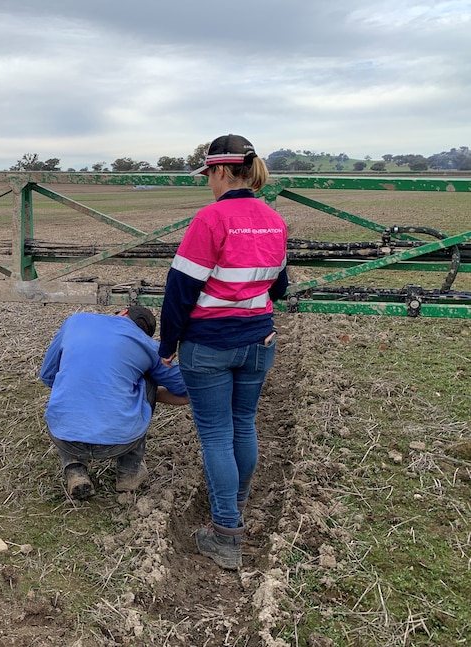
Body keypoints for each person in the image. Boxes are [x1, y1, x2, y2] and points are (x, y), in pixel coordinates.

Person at [158, 134, 288, 570]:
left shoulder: (211, 220)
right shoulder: (274, 220)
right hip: (258, 341)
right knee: (243, 425)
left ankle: (225, 533)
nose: (207, 184)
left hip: (209, 346)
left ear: (218, 171)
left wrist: (167, 345)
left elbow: (180, 290)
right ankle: (237, 503)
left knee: (215, 435)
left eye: (207, 176)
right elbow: (280, 286)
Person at [40, 306, 189, 500]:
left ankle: (75, 469)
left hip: (64, 436)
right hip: (120, 442)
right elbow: (186, 390)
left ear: (123, 312)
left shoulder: (76, 321)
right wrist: (138, 392)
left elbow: (47, 375)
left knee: (67, 383)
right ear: (145, 333)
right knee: (148, 380)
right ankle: (128, 472)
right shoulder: (147, 345)